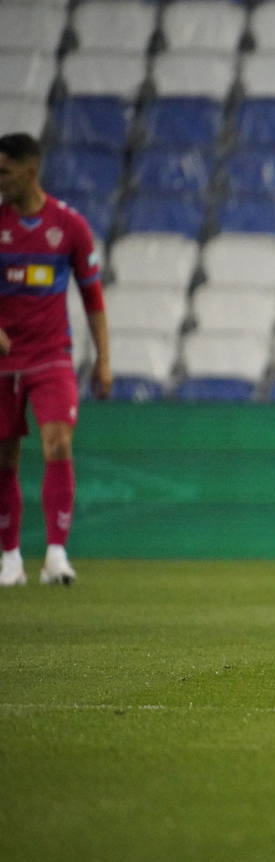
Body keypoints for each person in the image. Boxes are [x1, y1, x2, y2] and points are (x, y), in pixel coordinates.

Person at [0, 133, 111, 587]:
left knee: (58, 441)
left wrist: (104, 359)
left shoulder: (69, 226)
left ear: (30, 171)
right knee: (4, 457)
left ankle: (56, 555)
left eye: (5, 170)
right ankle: (9, 558)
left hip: (51, 356)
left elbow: (93, 296)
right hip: (4, 362)